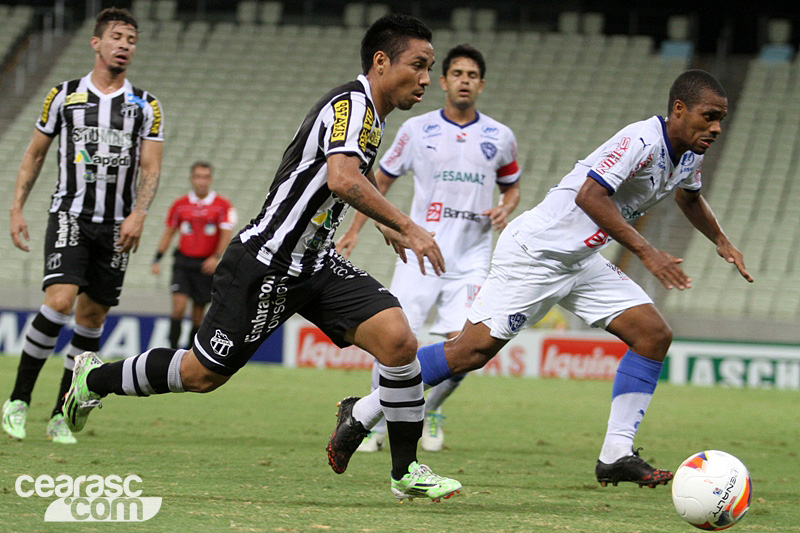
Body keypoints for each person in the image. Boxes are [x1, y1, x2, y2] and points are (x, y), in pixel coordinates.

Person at [61, 14, 461, 502]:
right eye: (418, 66)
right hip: (265, 260)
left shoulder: (371, 114)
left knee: (399, 342)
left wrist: (378, 221)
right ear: (382, 61)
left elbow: (331, 182)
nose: (425, 79)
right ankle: (94, 377)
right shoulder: (352, 105)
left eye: (429, 68)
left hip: (314, 264)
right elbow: (342, 178)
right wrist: (407, 225)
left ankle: (406, 470)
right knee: (200, 375)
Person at [334, 69, 753, 488]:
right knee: (469, 353)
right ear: (679, 109)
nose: (716, 128)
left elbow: (690, 195)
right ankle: (363, 412)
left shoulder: (691, 151)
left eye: (721, 119)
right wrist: (647, 252)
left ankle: (615, 455)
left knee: (653, 335)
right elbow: (590, 195)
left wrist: (721, 240)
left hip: (580, 259)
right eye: (709, 116)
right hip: (536, 253)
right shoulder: (640, 140)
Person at [336, 43, 521, 453]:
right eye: (457, 74)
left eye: (472, 76)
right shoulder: (417, 130)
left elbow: (513, 188)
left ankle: (427, 409)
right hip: (419, 254)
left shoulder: (499, 137)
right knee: (394, 341)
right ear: (443, 81)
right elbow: (378, 182)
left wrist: (505, 208)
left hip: (472, 259)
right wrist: (355, 231)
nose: (464, 81)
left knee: (467, 347)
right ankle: (373, 425)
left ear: (481, 85)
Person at [3, 8, 163, 445]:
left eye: (131, 38)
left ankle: (60, 412)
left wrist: (139, 214)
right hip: (70, 214)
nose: (124, 44)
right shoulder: (64, 95)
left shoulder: (146, 105)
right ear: (96, 43)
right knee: (60, 299)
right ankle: (17, 400)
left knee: (91, 317)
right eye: (116, 36)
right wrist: (17, 210)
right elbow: (35, 155)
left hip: (117, 227)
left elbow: (150, 168)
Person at [151, 162, 236, 349]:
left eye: (205, 177)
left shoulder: (222, 206)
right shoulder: (180, 205)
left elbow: (226, 234)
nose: (201, 181)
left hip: (205, 264)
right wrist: (157, 258)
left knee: (198, 313)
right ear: (192, 178)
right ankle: (171, 351)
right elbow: (169, 231)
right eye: (198, 176)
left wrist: (215, 257)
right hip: (183, 261)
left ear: (210, 179)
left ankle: (190, 353)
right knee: (178, 307)